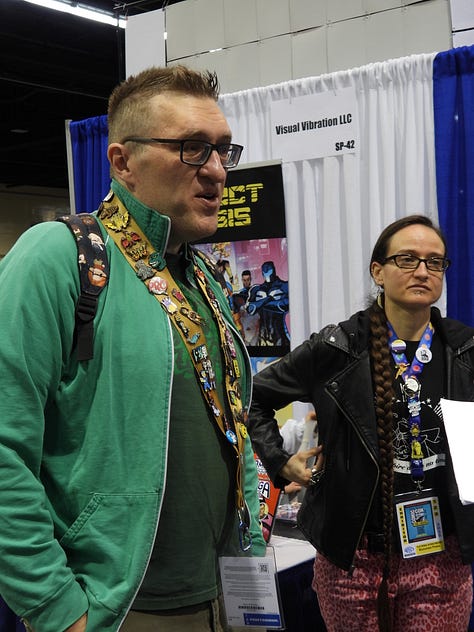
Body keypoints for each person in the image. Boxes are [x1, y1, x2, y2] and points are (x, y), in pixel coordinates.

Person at [0, 65, 266, 632]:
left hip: (223, 598)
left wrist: (252, 555)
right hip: (116, 609)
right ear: (122, 162)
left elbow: (234, 427)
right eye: (193, 148)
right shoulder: (59, 257)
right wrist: (57, 609)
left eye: (223, 150)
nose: (217, 171)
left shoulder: (204, 281)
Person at [248, 215, 474, 632]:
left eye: (435, 262)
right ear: (378, 271)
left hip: (440, 559)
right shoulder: (338, 348)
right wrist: (279, 461)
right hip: (352, 559)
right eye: (407, 259)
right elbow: (251, 397)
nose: (422, 271)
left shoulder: (464, 350)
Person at [246, 261, 289, 350]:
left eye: (269, 270)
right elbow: (250, 309)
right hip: (262, 338)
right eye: (265, 271)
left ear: (274, 270)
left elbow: (285, 305)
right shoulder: (256, 289)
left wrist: (260, 304)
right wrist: (269, 298)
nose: (267, 274)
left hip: (280, 336)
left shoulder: (284, 286)